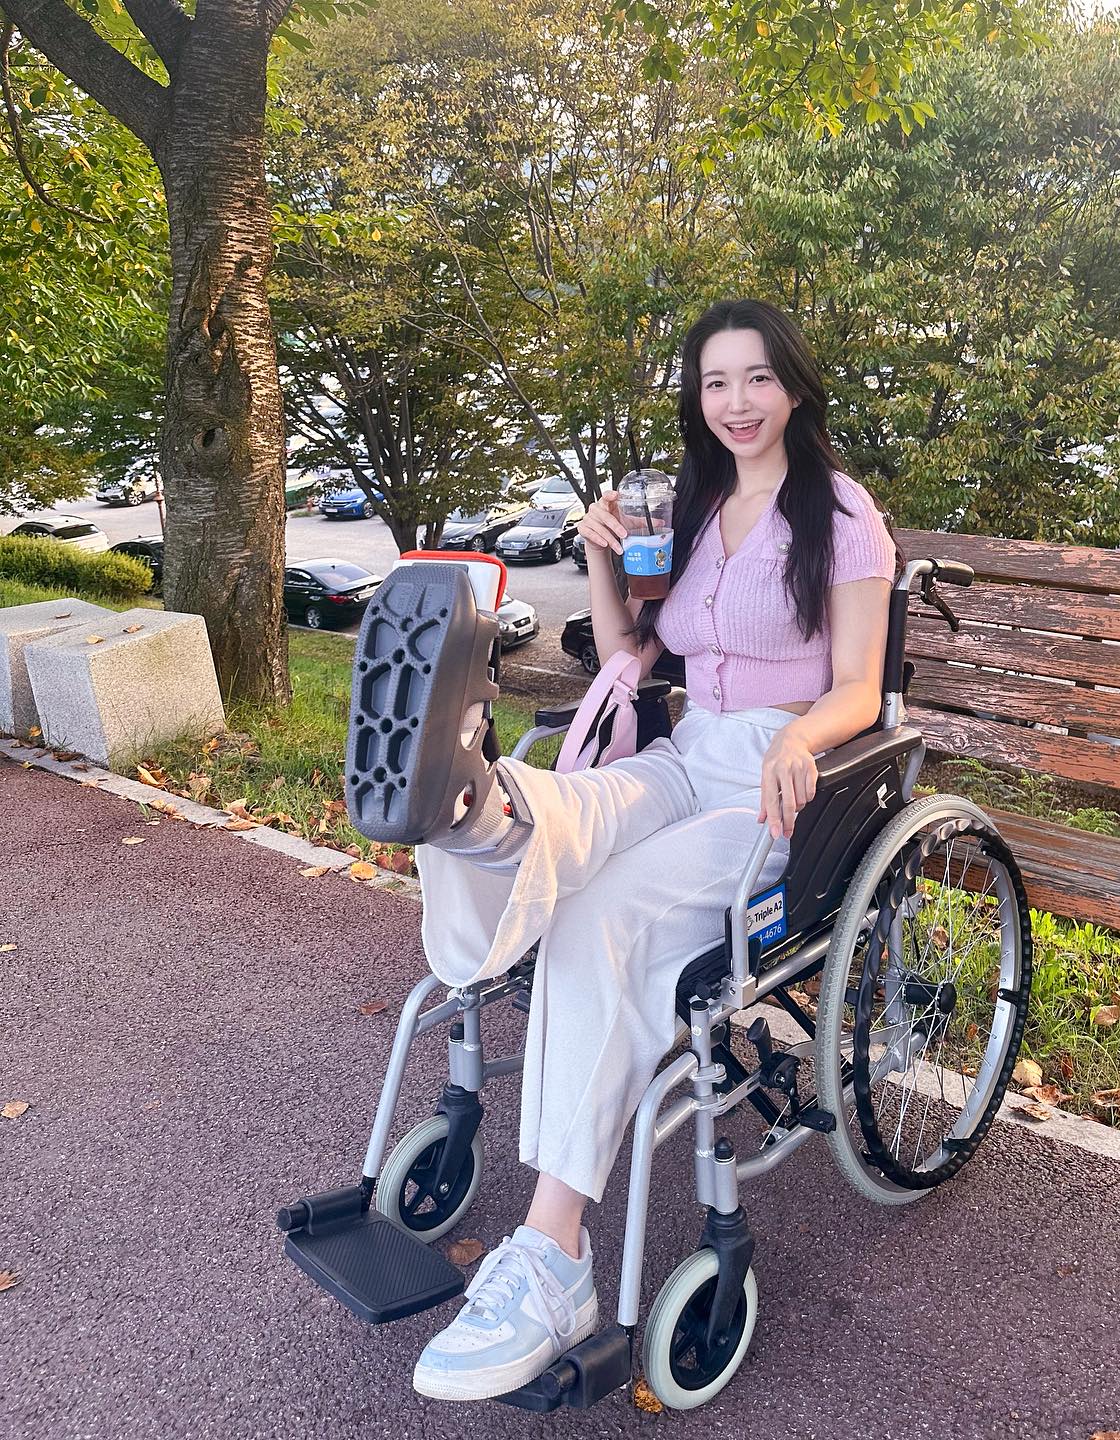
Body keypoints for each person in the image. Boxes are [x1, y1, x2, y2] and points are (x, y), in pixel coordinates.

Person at [409, 298, 897, 1404]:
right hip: (688, 750)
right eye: (716, 382)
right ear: (697, 398)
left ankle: (553, 1254)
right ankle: (472, 806)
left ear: (794, 387)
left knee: (602, 909)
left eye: (757, 378)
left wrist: (804, 739)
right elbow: (634, 650)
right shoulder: (695, 505)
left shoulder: (842, 513)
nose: (737, 402)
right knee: (574, 814)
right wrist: (597, 558)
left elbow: (862, 687)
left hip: (779, 777)